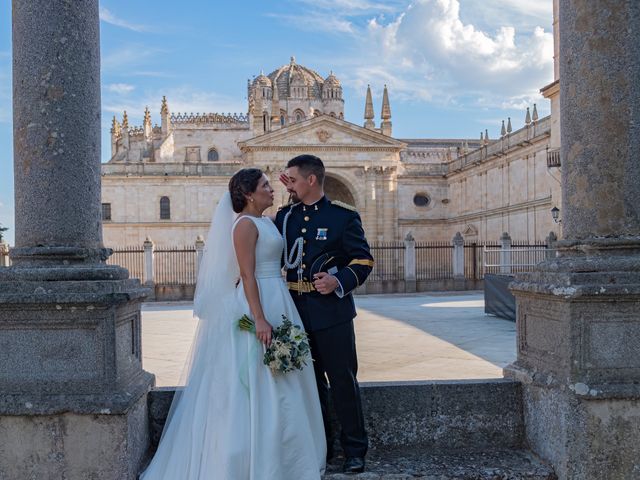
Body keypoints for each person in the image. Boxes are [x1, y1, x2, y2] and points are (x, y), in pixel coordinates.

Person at [140, 168, 326, 480]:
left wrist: (296, 190)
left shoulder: (267, 221)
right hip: (260, 301)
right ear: (249, 194)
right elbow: (248, 274)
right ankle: (253, 456)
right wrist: (260, 318)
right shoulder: (243, 225)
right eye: (265, 185)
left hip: (278, 298)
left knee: (284, 375)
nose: (271, 189)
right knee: (256, 375)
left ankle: (286, 453)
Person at [275, 155, 374, 474]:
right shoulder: (285, 216)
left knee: (343, 381)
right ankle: (323, 446)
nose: (287, 182)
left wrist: (338, 280)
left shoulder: (342, 216)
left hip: (333, 313)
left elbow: (362, 260)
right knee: (309, 384)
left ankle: (355, 449)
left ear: (311, 180)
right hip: (295, 313)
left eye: (291, 178)